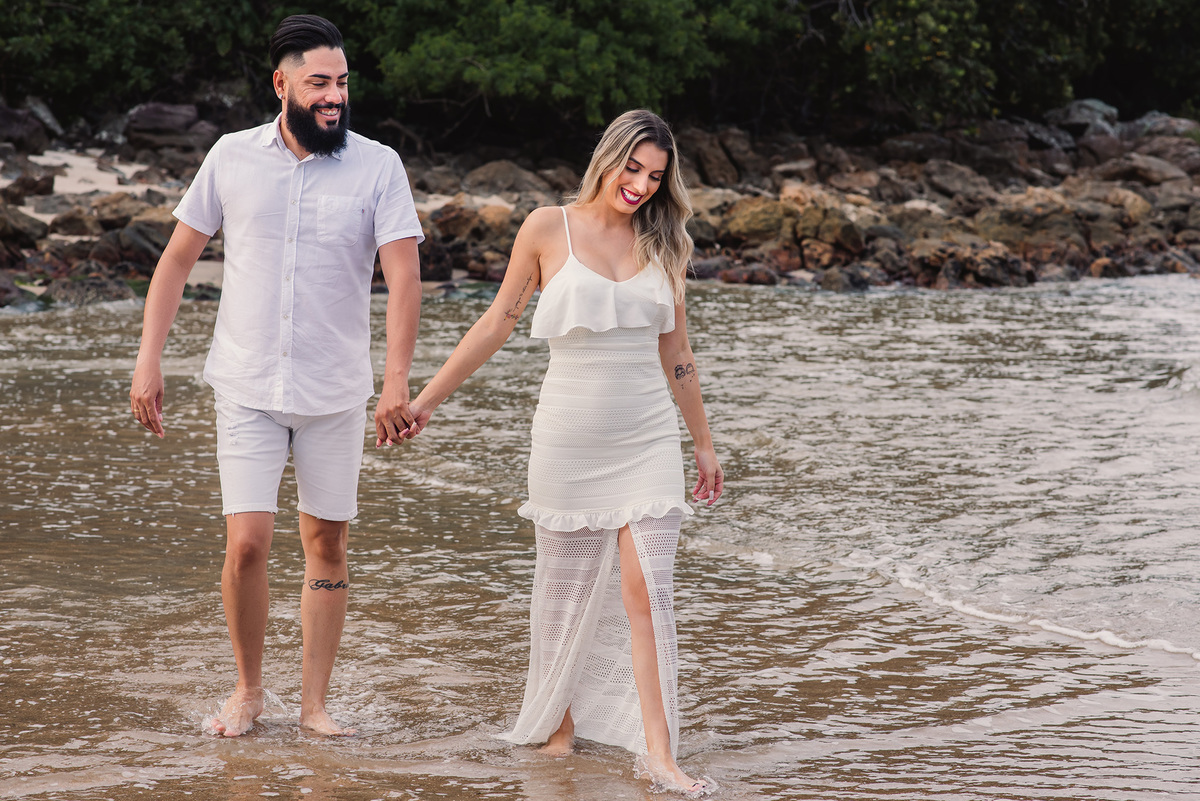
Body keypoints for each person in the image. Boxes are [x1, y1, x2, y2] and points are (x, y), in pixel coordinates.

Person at [399, 109, 723, 795]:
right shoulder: (549, 227)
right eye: (632, 168)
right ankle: (557, 727)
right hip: (569, 437)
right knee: (564, 591)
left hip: (648, 436)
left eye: (655, 177)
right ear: (607, 157)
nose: (639, 185)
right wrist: (426, 399)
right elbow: (497, 322)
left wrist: (702, 442)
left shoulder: (665, 243)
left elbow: (679, 355)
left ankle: (659, 753)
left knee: (649, 591)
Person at [128, 14, 424, 737]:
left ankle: (315, 704)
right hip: (247, 384)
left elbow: (405, 277)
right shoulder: (231, 156)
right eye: (319, 82)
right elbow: (176, 259)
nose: (334, 97)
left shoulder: (378, 164)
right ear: (281, 83)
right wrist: (148, 357)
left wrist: (396, 381)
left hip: (334, 390)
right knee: (249, 541)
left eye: (343, 83)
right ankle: (250, 689)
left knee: (327, 542)